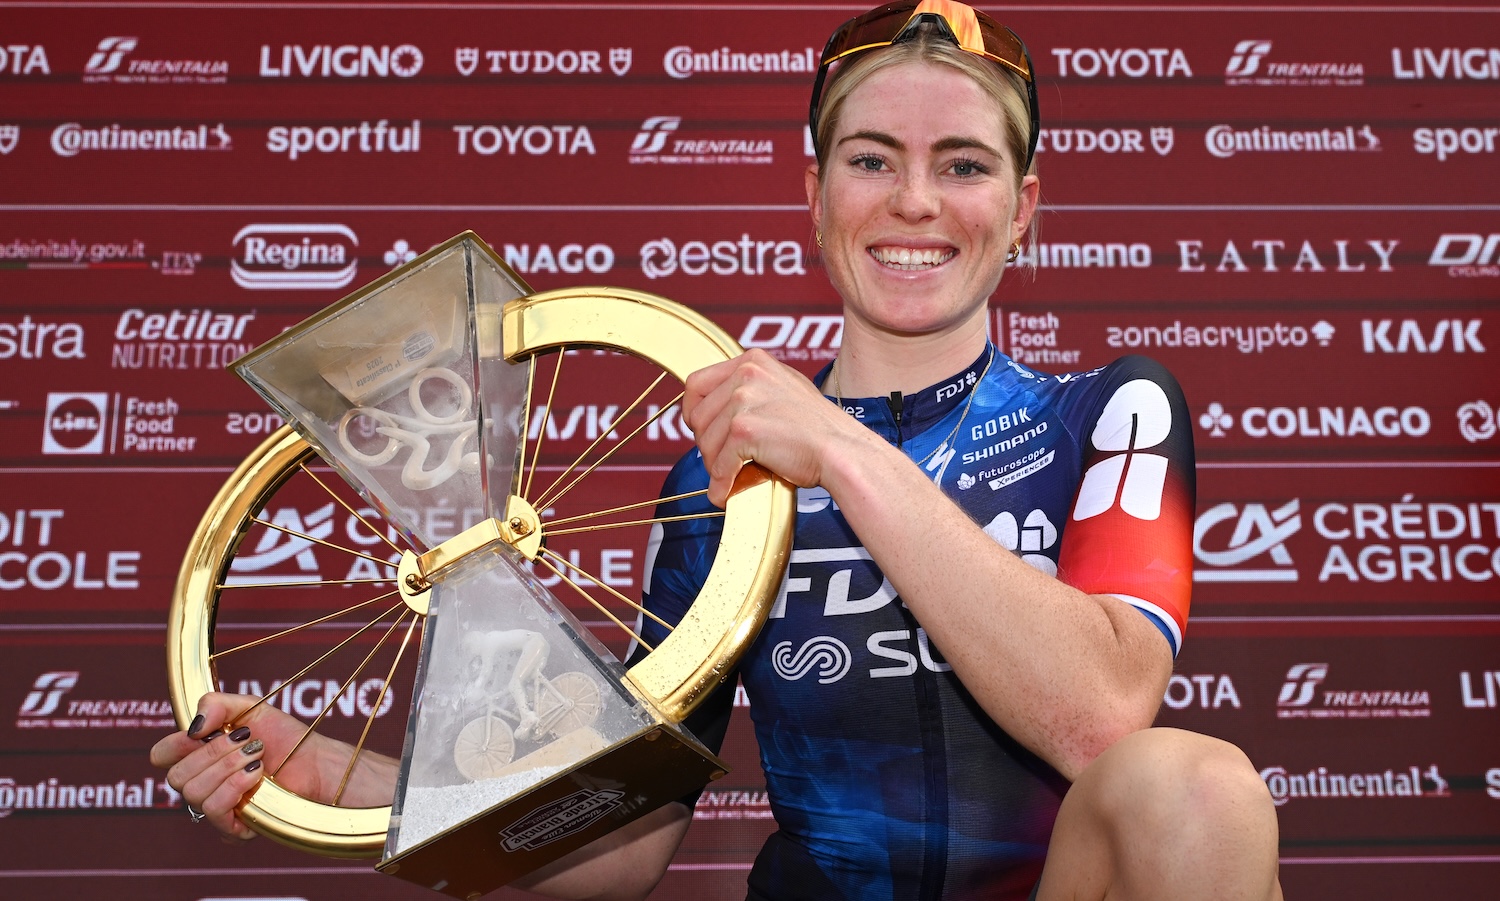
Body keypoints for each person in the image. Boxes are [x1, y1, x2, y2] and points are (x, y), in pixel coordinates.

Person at [152, 2, 1284, 899]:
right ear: (816, 191)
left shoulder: (1111, 408)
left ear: (1025, 206)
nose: (917, 202)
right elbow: (621, 848)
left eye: (966, 165)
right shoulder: (716, 478)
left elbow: (1098, 712)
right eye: (874, 159)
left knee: (1190, 787)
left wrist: (838, 445)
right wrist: (330, 780)